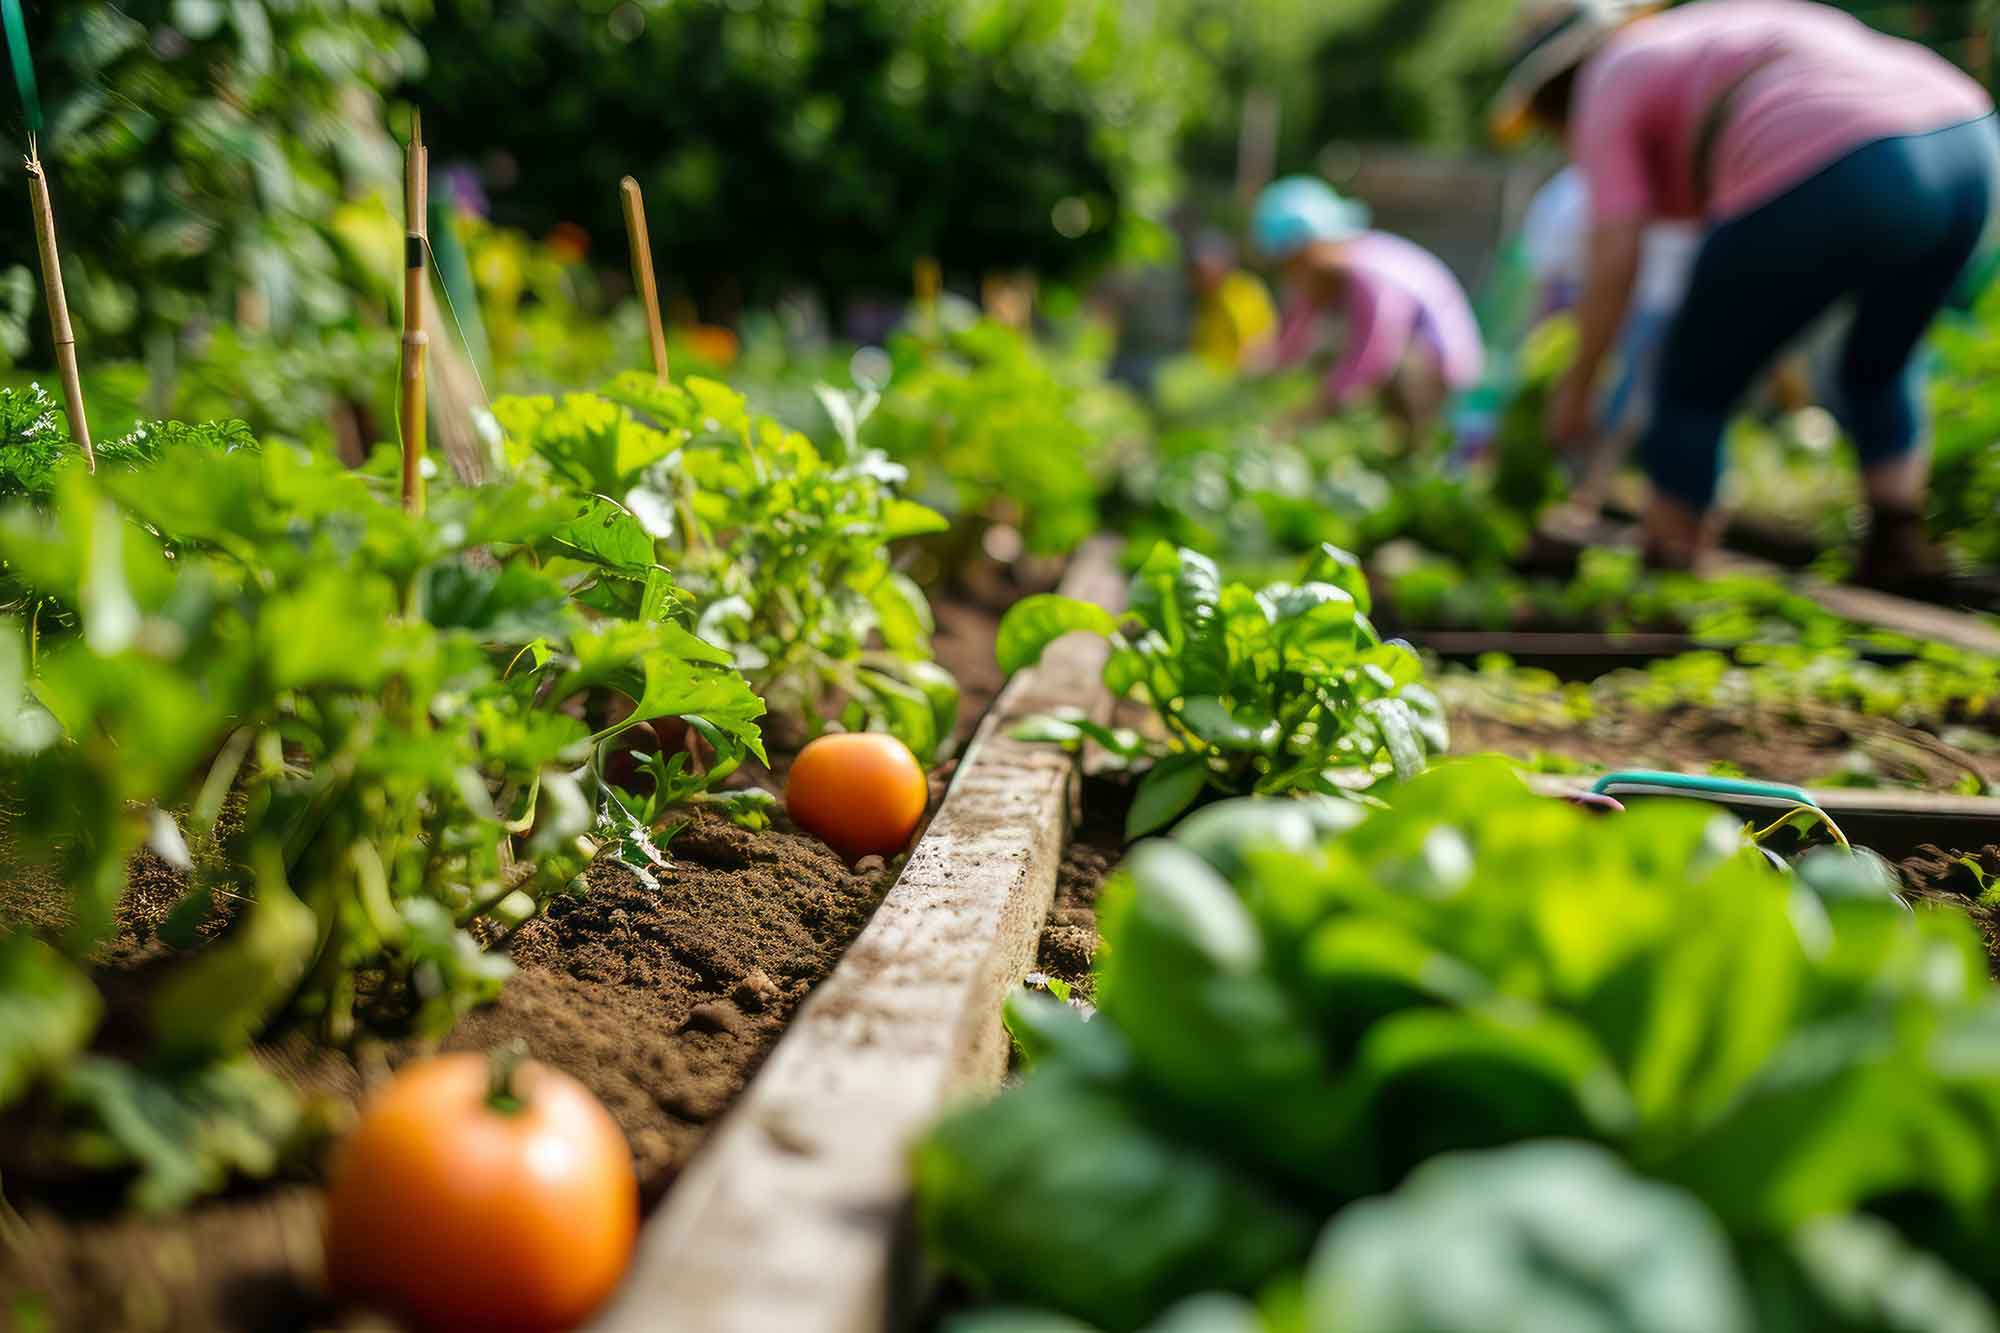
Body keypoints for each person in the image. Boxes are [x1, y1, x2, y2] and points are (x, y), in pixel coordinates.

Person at [1492, 0, 1999, 582]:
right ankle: (1896, 540)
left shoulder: (1609, 77)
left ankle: (1671, 567)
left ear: (1556, 93)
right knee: (1879, 364)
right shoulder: (1702, 37)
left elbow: (1615, 254)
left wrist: (1577, 389)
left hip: (1845, 155)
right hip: (1968, 143)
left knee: (1691, 383)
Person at [1251, 175, 1484, 434]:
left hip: (1442, 373)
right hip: (1403, 363)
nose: (1292, 275)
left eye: (1294, 262)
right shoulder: (1326, 279)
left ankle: (1412, 440)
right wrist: (1262, 371)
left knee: (1341, 360)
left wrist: (1316, 410)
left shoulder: (1370, 274)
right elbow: (1294, 335)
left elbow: (1376, 353)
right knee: (1326, 356)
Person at [1187, 230, 1278, 371]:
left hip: (1234, 378)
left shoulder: (1242, 292)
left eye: (1200, 270)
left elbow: (1257, 345)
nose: (1196, 278)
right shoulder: (1210, 297)